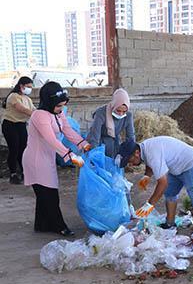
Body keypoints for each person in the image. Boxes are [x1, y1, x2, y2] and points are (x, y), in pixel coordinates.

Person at [22, 82, 90, 236]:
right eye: (59, 106)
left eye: (63, 106)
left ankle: (41, 225)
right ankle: (59, 226)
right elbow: (51, 139)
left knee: (44, 194)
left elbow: (67, 130)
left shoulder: (58, 114)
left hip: (48, 158)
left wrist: (83, 144)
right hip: (36, 160)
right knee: (49, 195)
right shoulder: (39, 115)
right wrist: (71, 156)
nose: (61, 109)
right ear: (49, 102)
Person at [116, 136, 193, 244]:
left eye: (129, 160)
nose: (130, 163)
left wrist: (150, 204)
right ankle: (170, 223)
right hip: (176, 167)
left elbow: (163, 183)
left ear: (136, 153)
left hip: (192, 164)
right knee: (170, 193)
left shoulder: (151, 153)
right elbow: (149, 163)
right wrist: (147, 176)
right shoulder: (145, 149)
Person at [1, 76, 35, 184]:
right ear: (21, 86)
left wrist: (42, 114)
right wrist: (37, 115)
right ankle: (13, 174)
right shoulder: (13, 96)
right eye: (28, 87)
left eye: (31, 87)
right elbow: (22, 109)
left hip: (21, 125)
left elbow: (34, 109)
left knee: (23, 150)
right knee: (14, 149)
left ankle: (25, 172)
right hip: (10, 125)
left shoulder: (27, 99)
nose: (30, 89)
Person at [87, 88, 134, 158]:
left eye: (124, 111)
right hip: (99, 139)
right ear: (114, 105)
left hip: (114, 140)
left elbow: (130, 136)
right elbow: (95, 136)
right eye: (118, 110)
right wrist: (95, 155)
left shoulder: (128, 116)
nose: (121, 114)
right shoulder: (101, 113)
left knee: (114, 158)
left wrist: (130, 153)